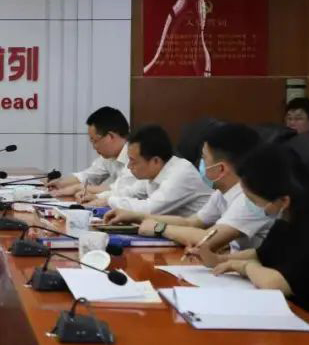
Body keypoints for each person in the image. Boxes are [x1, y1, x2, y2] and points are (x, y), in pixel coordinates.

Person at [194, 144, 309, 342]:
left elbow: (275, 283)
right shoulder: (292, 213)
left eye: (252, 200)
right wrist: (219, 260)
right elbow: (263, 254)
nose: (251, 206)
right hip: (292, 316)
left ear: (283, 200)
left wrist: (244, 267)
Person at [110, 124, 273, 251]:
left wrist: (160, 228)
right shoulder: (221, 193)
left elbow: (208, 239)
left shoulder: (249, 199)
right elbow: (191, 223)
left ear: (221, 169)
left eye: (204, 159)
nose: (201, 164)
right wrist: (136, 217)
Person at [101, 125, 211, 220]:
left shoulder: (181, 173)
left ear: (155, 161)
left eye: (133, 161)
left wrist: (109, 201)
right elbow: (129, 192)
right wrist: (99, 198)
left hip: (205, 233)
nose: (129, 166)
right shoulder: (153, 173)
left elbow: (150, 209)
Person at [48, 106, 133, 199]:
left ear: (110, 137)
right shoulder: (110, 156)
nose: (94, 147)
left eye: (95, 141)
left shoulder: (135, 156)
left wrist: (78, 188)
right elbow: (89, 176)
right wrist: (60, 183)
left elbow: (120, 191)